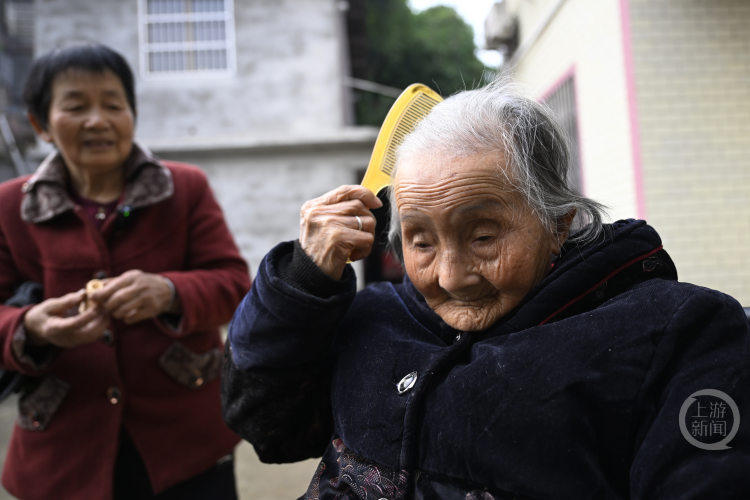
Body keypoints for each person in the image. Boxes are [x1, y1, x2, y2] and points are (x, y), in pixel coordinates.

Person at [222, 81, 750, 498]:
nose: (451, 276)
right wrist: (302, 282)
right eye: (421, 241)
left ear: (558, 224)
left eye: (482, 236)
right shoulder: (374, 317)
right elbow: (268, 427)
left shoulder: (677, 333)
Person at [0, 44, 251, 499]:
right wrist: (31, 326)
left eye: (113, 105)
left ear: (132, 114)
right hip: (63, 451)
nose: (98, 120)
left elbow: (234, 285)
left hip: (186, 443)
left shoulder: (184, 188)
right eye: (76, 106)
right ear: (41, 125)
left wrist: (169, 292)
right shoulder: (9, 207)